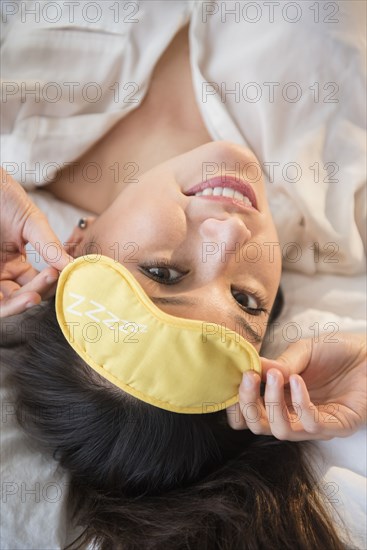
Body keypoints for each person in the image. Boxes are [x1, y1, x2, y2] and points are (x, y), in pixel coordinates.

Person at [1, 2, 366, 548]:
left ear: (75, 246)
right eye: (246, 301)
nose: (230, 238)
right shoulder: (341, 202)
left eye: (162, 273)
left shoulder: (13, 123)